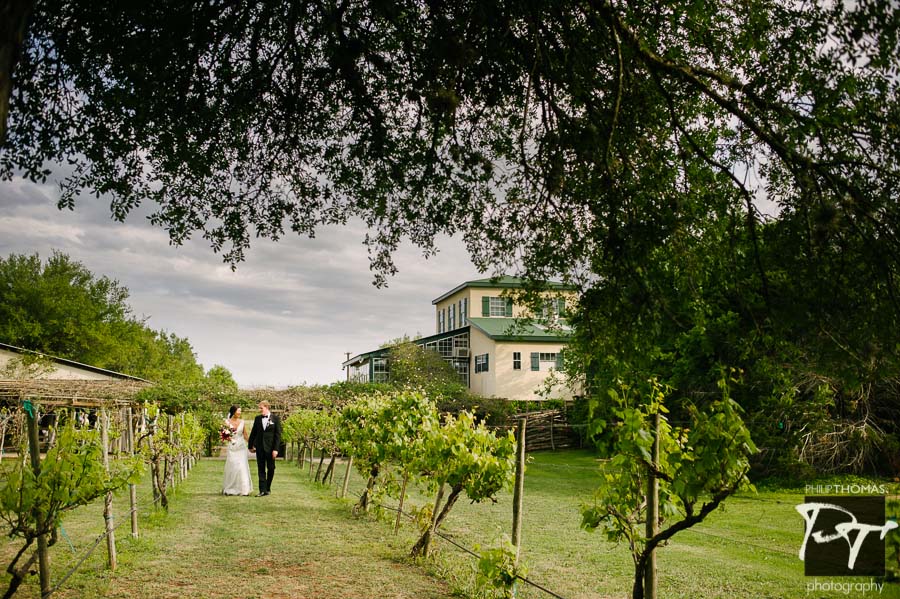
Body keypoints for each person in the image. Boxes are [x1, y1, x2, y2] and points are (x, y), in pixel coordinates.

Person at [247, 400, 282, 496]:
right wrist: (250, 445)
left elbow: (278, 436)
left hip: (271, 449)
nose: (259, 410)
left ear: (266, 407)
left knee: (271, 468)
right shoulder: (257, 419)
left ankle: (268, 487)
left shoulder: (275, 419)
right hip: (260, 447)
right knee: (261, 468)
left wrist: (276, 449)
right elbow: (254, 432)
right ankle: (262, 490)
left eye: (261, 408)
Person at [222, 405, 252, 496]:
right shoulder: (226, 422)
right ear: (233, 411)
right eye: (238, 411)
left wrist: (251, 445)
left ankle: (244, 489)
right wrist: (230, 439)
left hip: (241, 447)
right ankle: (230, 488)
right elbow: (224, 435)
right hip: (232, 446)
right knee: (233, 466)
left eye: (240, 411)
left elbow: (245, 435)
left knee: (242, 467)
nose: (239, 413)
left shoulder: (242, 422)